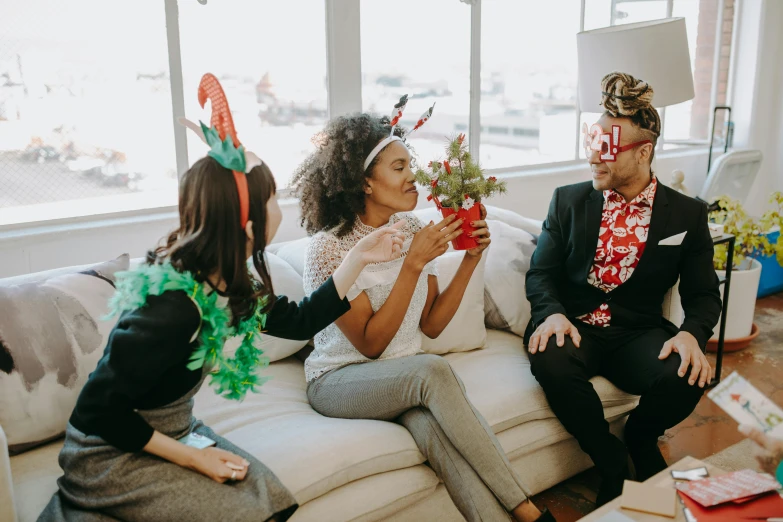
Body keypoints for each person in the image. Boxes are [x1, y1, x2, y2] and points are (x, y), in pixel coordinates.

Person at [39, 74, 405, 522]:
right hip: (110, 452)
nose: (280, 209)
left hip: (173, 429)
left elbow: (299, 321)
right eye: (271, 199)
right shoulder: (173, 308)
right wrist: (197, 458)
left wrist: (359, 257)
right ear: (246, 224)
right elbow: (100, 409)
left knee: (270, 498)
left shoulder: (227, 284)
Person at [292, 101, 554, 522]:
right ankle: (529, 511)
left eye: (409, 164)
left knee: (436, 435)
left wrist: (470, 260)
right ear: (366, 183)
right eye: (399, 167)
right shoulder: (330, 249)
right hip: (339, 380)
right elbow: (372, 345)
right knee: (432, 371)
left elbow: (430, 324)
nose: (413, 175)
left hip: (402, 376)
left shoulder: (412, 229)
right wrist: (412, 264)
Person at [524, 71, 722, 505]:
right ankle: (608, 457)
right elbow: (541, 273)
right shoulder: (567, 201)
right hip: (575, 324)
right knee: (548, 355)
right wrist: (551, 312)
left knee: (688, 375)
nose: (595, 159)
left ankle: (640, 436)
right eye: (592, 145)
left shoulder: (686, 215)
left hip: (637, 330)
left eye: (607, 149)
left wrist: (692, 334)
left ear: (644, 152)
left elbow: (704, 294)